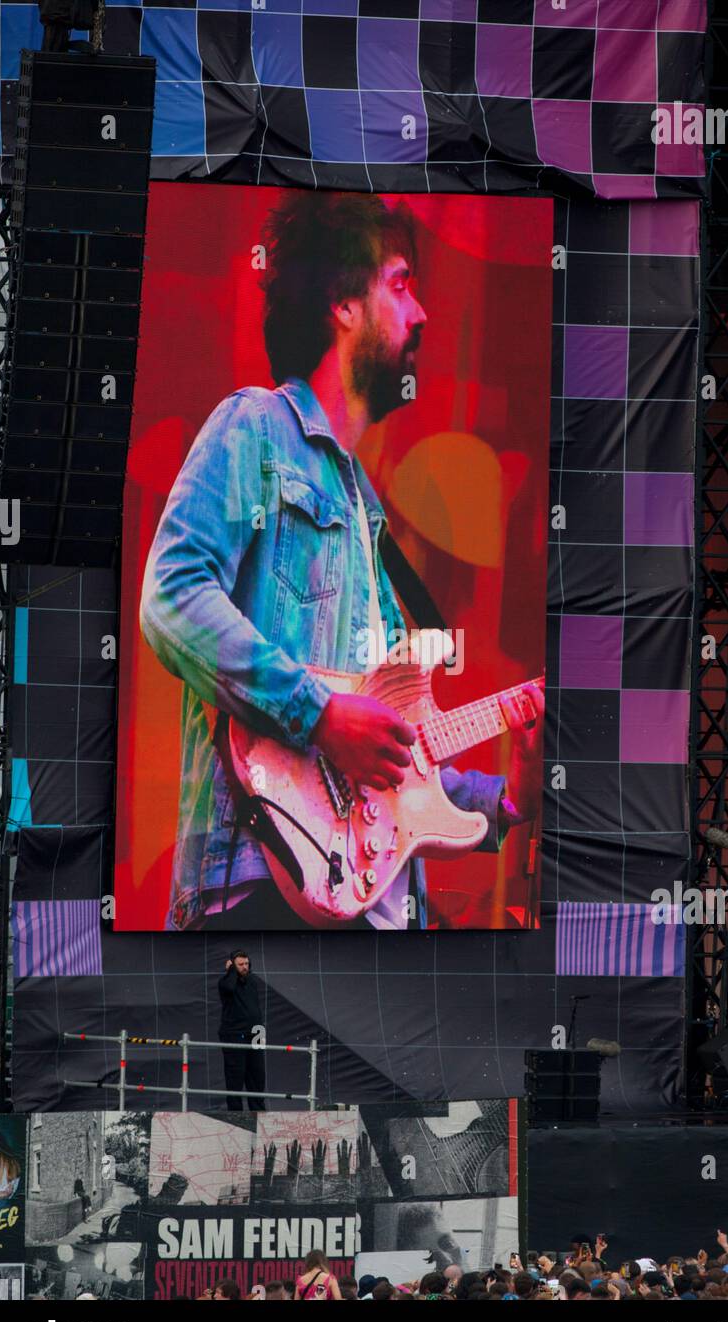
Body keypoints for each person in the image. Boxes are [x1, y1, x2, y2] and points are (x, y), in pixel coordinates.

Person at [141, 190, 543, 934]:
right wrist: (320, 714)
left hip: (375, 918)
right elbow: (171, 599)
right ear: (342, 305)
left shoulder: (370, 517)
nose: (421, 314)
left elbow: (392, 751)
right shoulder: (256, 427)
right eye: (399, 284)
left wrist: (501, 793)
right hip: (263, 889)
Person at [218, 951, 265, 1111]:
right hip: (234, 1033)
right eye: (240, 965)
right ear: (232, 965)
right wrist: (231, 972)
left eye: (247, 964)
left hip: (256, 1033)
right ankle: (235, 1113)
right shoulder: (225, 982)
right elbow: (230, 988)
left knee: (257, 1074)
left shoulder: (252, 981)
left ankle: (258, 1109)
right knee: (235, 1076)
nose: (245, 967)